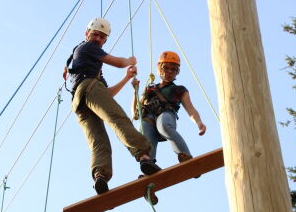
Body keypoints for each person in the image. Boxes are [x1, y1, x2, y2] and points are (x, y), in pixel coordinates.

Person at [63, 17, 161, 195]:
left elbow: (106, 94)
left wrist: (126, 78)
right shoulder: (87, 47)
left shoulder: (91, 65)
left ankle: (100, 176)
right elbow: (117, 62)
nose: (98, 39)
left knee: (98, 142)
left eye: (102, 37)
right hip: (90, 89)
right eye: (95, 35)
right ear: (87, 34)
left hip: (80, 103)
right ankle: (144, 156)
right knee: (118, 119)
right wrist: (128, 61)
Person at [132, 51, 206, 165]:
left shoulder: (179, 90)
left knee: (164, 125)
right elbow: (136, 113)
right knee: (143, 128)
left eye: (174, 69)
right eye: (166, 68)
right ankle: (148, 166)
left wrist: (199, 123)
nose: (169, 72)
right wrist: (135, 92)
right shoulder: (149, 89)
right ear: (159, 68)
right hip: (148, 118)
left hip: (165, 114)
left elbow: (190, 109)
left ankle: (185, 155)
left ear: (177, 72)